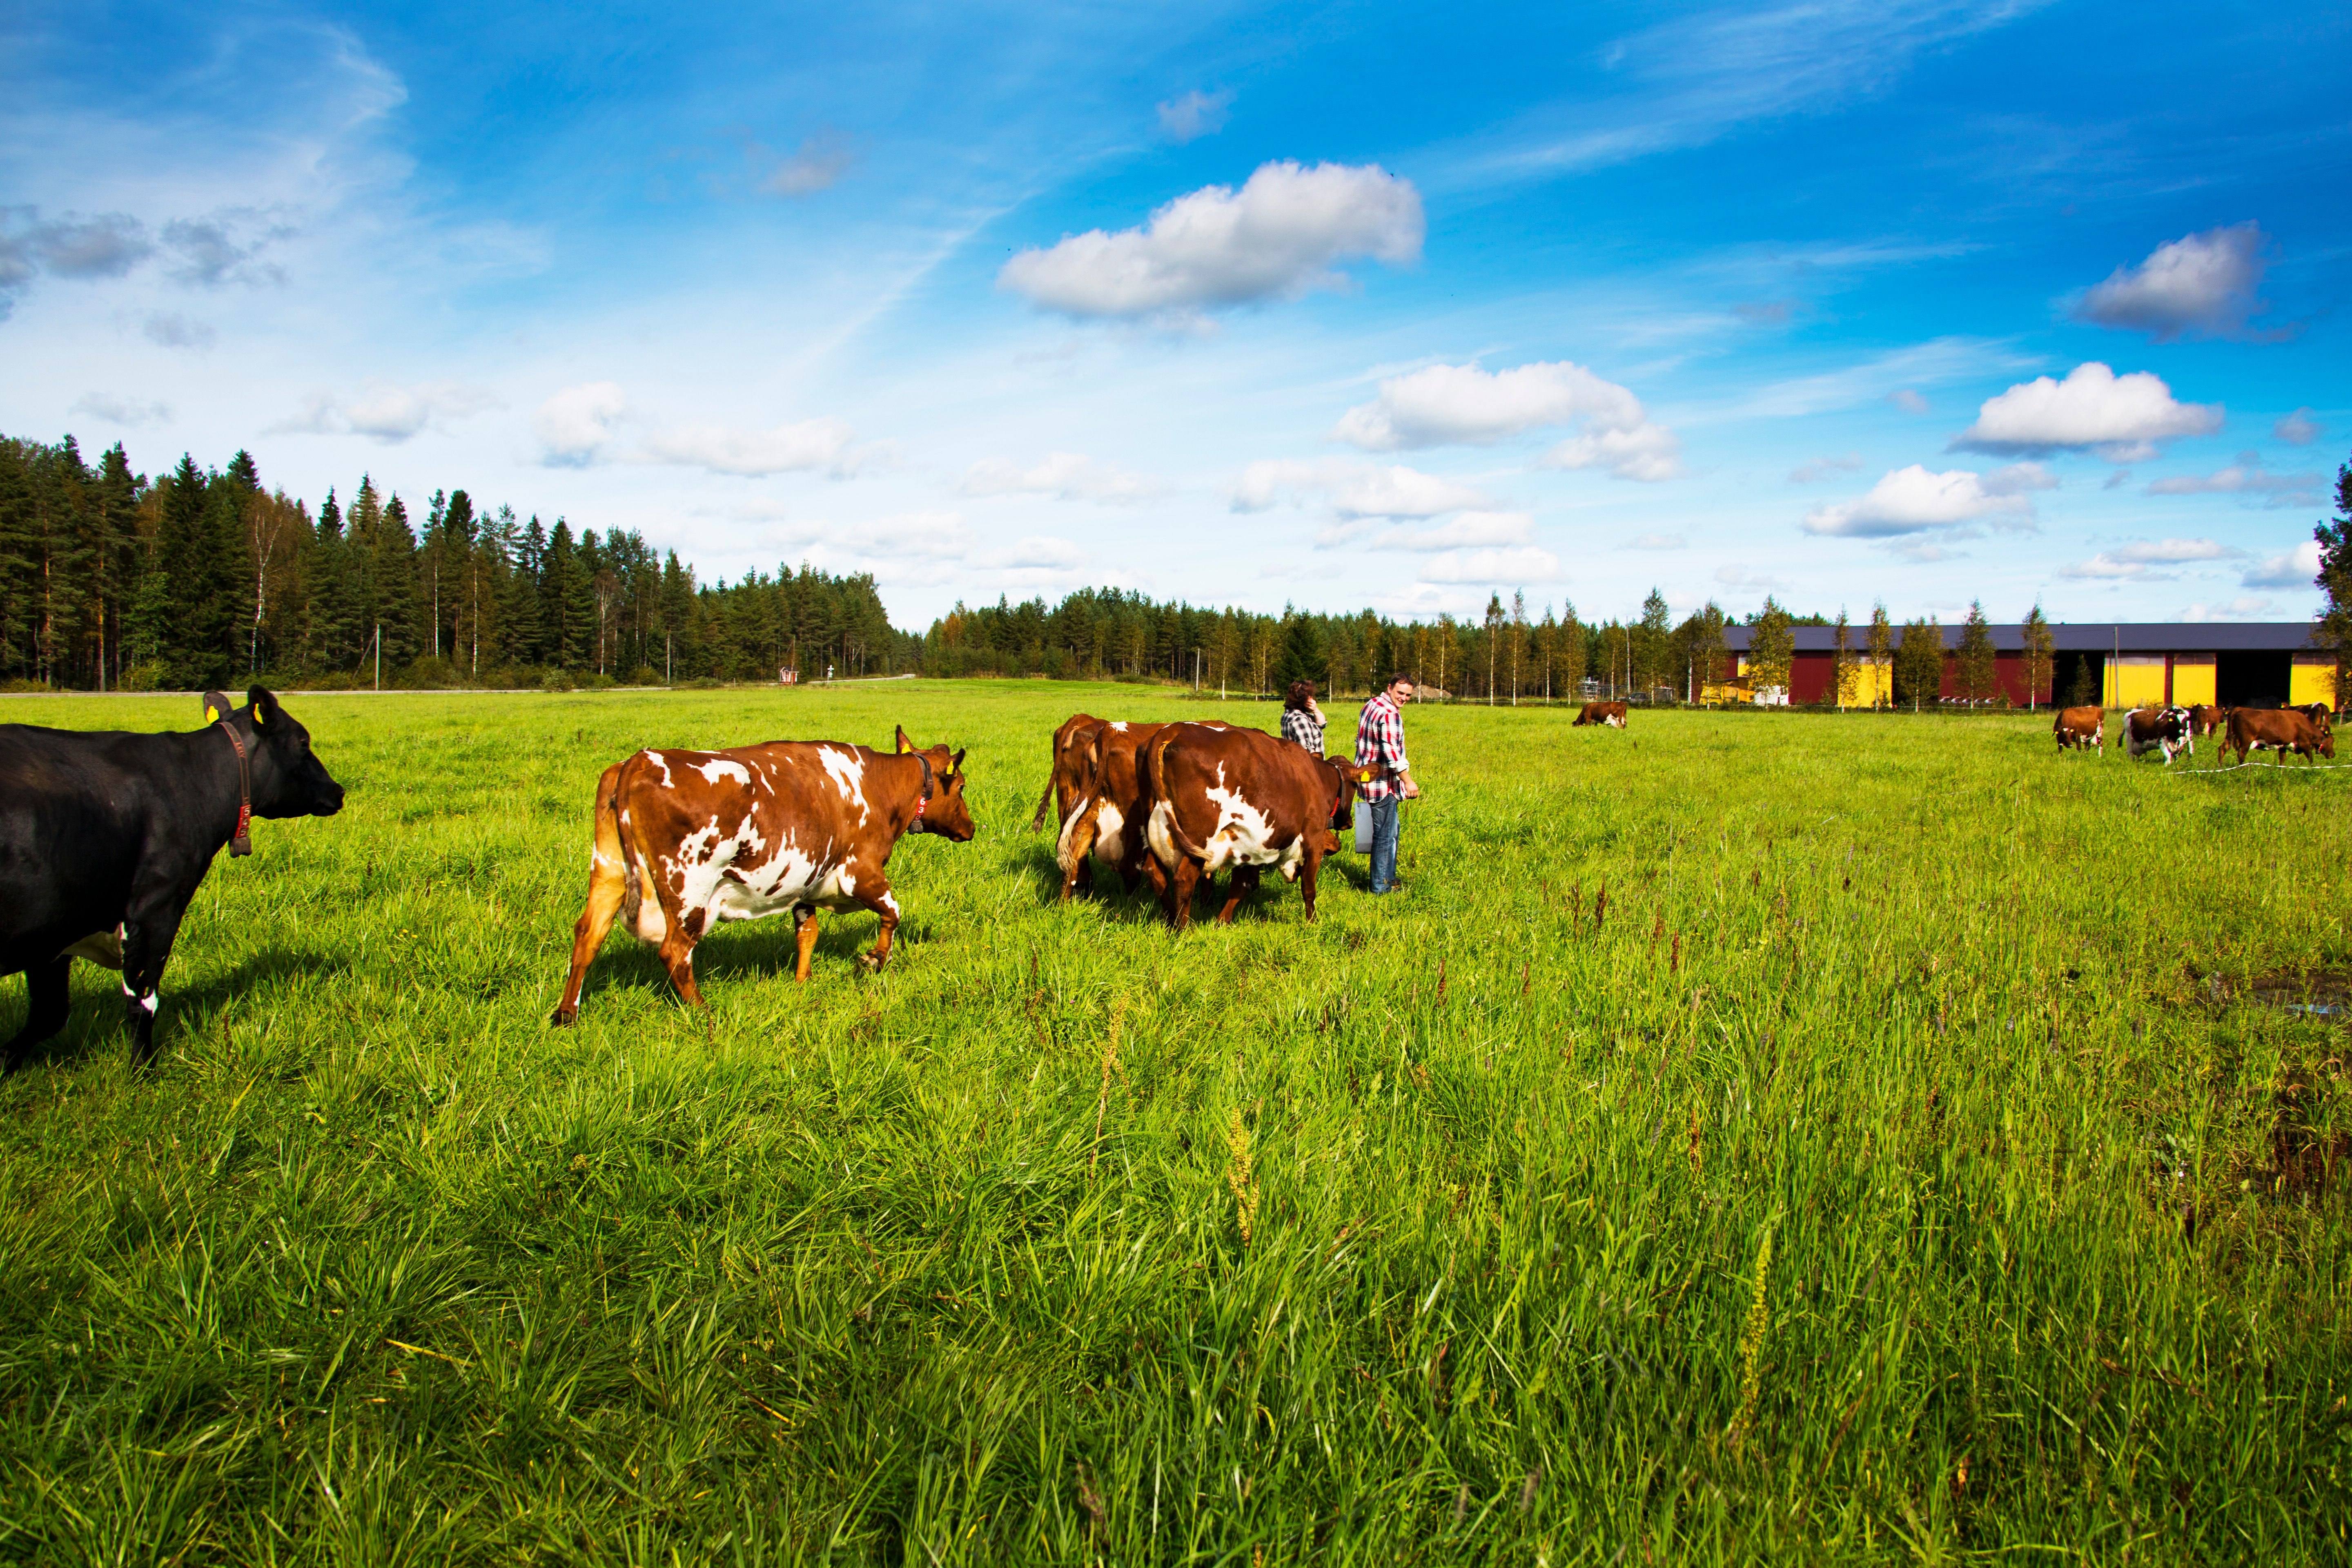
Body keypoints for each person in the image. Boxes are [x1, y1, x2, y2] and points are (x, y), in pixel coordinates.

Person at [1354, 671, 1419, 895]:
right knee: (1385, 836)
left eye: (1409, 695)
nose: (1404, 698)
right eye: (1401, 693)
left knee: (1388, 833)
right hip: (1383, 784)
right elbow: (1392, 753)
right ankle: (1381, 887)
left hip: (1366, 779)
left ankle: (1388, 878)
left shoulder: (1372, 705)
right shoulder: (1390, 714)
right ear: (1390, 688)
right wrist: (1408, 782)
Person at [1280, 679, 1326, 754]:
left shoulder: (1288, 714)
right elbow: (1309, 753)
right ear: (1302, 699)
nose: (1313, 700)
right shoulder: (1300, 720)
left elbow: (1322, 724)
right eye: (1310, 697)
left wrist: (1315, 710)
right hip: (1311, 765)